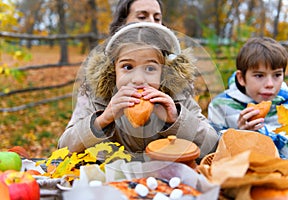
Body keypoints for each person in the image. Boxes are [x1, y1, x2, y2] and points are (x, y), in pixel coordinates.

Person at [58, 22, 219, 160]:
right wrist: (102, 120)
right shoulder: (98, 99)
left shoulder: (178, 98)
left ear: (163, 73)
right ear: (113, 70)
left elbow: (212, 145)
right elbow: (63, 148)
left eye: (150, 68)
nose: (138, 79)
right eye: (127, 67)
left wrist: (176, 120)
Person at [208, 37, 288, 160]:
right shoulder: (220, 106)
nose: (270, 84)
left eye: (277, 75)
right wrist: (239, 134)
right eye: (259, 75)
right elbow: (213, 150)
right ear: (241, 78)